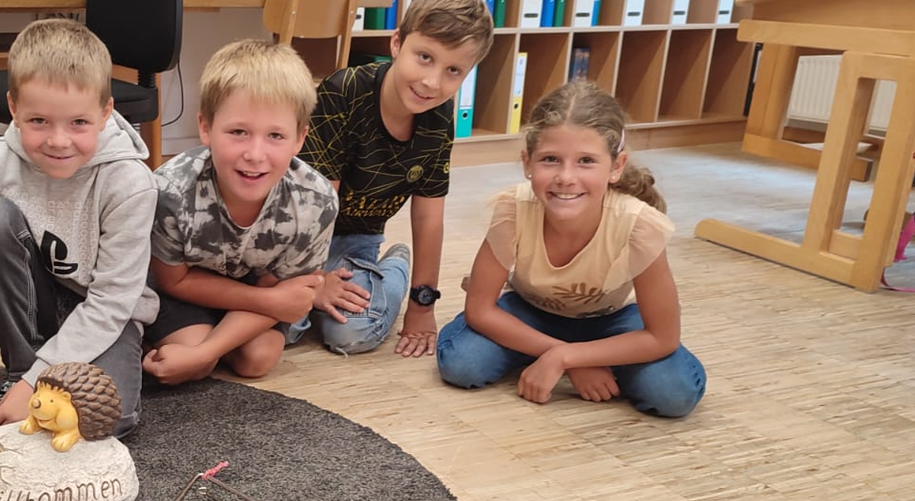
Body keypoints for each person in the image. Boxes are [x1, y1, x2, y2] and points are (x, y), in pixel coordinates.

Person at [435, 80, 706, 417]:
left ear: (616, 166)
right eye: (550, 159)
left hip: (613, 322)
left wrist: (565, 358)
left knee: (673, 393)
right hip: (531, 312)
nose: (566, 177)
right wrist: (569, 358)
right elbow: (480, 309)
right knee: (463, 364)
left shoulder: (639, 225)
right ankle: (556, 353)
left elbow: (663, 337)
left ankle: (551, 355)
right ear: (527, 163)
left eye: (586, 161)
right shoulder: (513, 209)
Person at [0, 19, 157, 439]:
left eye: (79, 122)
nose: (59, 141)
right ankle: (25, 372)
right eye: (39, 121)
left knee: (113, 419)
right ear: (13, 108)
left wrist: (35, 384)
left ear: (106, 112)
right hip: (31, 307)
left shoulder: (130, 181)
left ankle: (29, 384)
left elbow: (113, 301)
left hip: (102, 314)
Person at [293, 0, 493, 358]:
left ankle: (393, 266)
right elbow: (317, 208)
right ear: (397, 43)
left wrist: (422, 303)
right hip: (301, 241)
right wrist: (314, 283)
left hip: (358, 240)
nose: (432, 82)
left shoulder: (440, 119)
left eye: (454, 70)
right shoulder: (345, 91)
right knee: (286, 326)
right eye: (425, 57)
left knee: (351, 335)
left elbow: (429, 217)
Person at [142, 39, 336, 384]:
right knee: (195, 364)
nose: (255, 153)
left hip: (254, 291)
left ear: (300, 138)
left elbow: (291, 292)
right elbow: (175, 280)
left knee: (257, 359)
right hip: (184, 287)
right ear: (205, 128)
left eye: (276, 135)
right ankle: (199, 337)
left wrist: (205, 350)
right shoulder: (170, 191)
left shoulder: (316, 201)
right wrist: (271, 302)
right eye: (238, 132)